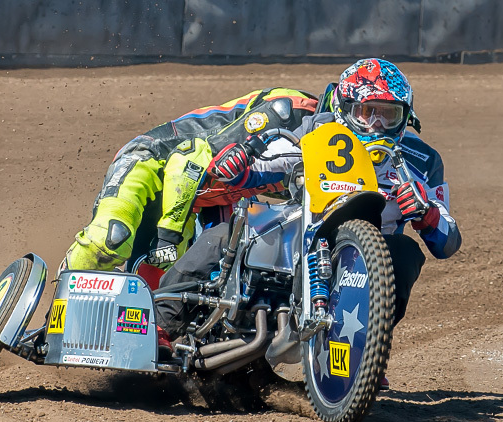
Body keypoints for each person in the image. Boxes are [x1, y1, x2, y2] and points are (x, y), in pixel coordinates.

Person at [155, 59, 462, 387]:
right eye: (366, 111)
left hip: (365, 259)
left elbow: (448, 241)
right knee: (227, 234)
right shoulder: (317, 131)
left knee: (405, 251)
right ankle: (159, 325)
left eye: (387, 114)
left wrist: (427, 214)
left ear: (405, 117)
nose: (375, 124)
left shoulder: (422, 161)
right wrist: (239, 164)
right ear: (345, 108)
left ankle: (362, 351)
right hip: (293, 236)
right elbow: (265, 163)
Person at [59, 88, 318, 274]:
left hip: (203, 197)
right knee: (112, 238)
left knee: (184, 279)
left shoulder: (335, 161)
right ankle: (59, 310)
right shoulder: (289, 112)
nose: (361, 129)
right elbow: (189, 158)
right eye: (358, 113)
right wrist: (168, 236)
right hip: (156, 159)